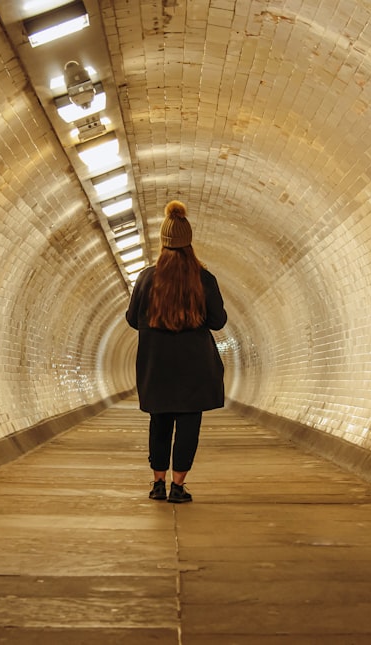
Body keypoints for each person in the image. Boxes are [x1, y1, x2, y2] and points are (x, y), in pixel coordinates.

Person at [125, 200, 227, 503]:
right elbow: (217, 320)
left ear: (164, 241)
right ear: (189, 241)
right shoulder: (204, 279)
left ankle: (157, 483)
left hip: (156, 365)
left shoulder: (146, 278)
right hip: (195, 367)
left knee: (159, 424)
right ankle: (178, 487)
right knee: (187, 427)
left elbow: (132, 319)